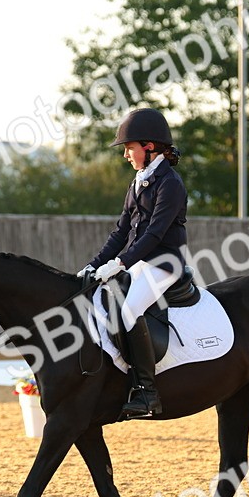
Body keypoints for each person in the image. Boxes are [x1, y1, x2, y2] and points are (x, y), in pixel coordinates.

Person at [77, 107, 188, 420]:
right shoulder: (139, 182)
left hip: (165, 264)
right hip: (139, 264)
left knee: (129, 312)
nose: (126, 154)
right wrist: (94, 265)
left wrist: (121, 263)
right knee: (100, 303)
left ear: (149, 147)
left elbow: (154, 234)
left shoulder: (170, 184)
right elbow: (120, 231)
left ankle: (147, 392)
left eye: (129, 148)